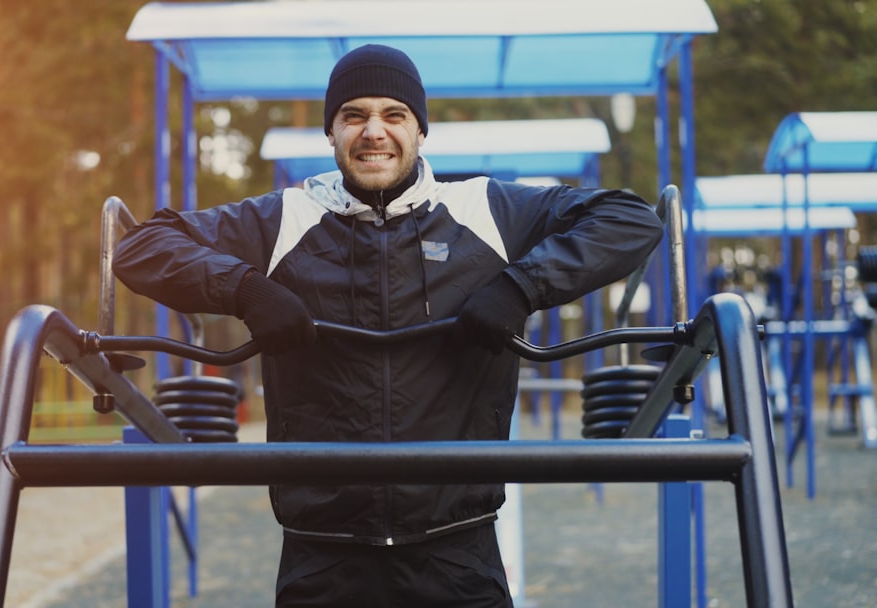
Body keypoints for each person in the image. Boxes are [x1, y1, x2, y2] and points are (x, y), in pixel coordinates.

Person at [114, 44, 664, 608]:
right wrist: (247, 290)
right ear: (331, 133)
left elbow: (629, 219)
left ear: (420, 130)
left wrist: (520, 286)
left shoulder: (483, 211)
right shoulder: (285, 219)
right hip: (322, 552)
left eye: (393, 114)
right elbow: (141, 246)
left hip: (457, 549)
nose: (373, 131)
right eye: (353, 115)